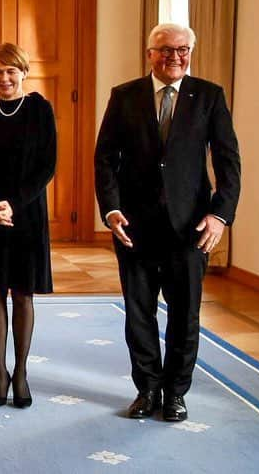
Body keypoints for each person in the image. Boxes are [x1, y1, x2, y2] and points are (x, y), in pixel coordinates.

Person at [94, 23, 241, 422]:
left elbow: (228, 162)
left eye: (182, 49)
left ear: (191, 51)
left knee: (184, 315)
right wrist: (110, 209)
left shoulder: (209, 96)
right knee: (138, 313)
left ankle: (176, 393)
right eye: (165, 50)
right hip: (134, 228)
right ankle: (147, 389)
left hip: (191, 228)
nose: (174, 57)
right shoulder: (124, 96)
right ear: (149, 53)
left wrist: (220, 215)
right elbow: (105, 158)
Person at [0, 42, 57, 409]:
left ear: (24, 72)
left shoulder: (40, 109)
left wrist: (13, 204)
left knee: (23, 293)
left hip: (27, 211)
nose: (4, 78)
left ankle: (21, 372)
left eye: (11, 71)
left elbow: (47, 165)